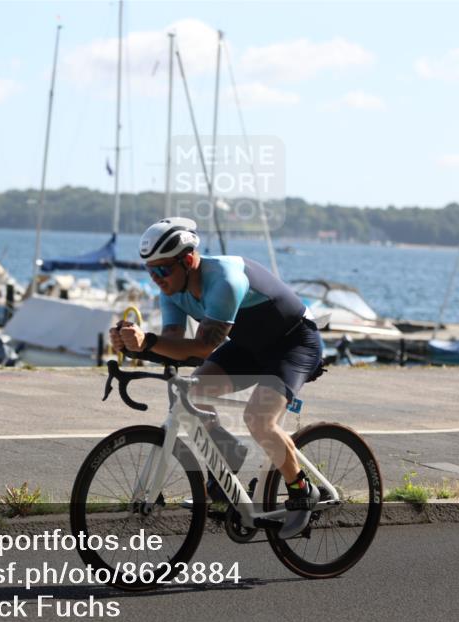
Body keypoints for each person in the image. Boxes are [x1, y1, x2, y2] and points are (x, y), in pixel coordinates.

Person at [109, 217, 325, 539]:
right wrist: (134, 347)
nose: (157, 279)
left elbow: (204, 345)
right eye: (150, 271)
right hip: (249, 346)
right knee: (193, 393)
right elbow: (177, 347)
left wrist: (149, 342)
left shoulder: (224, 279)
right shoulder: (172, 290)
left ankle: (301, 491)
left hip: (293, 344)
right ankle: (227, 452)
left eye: (163, 270)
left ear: (189, 260)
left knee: (259, 420)